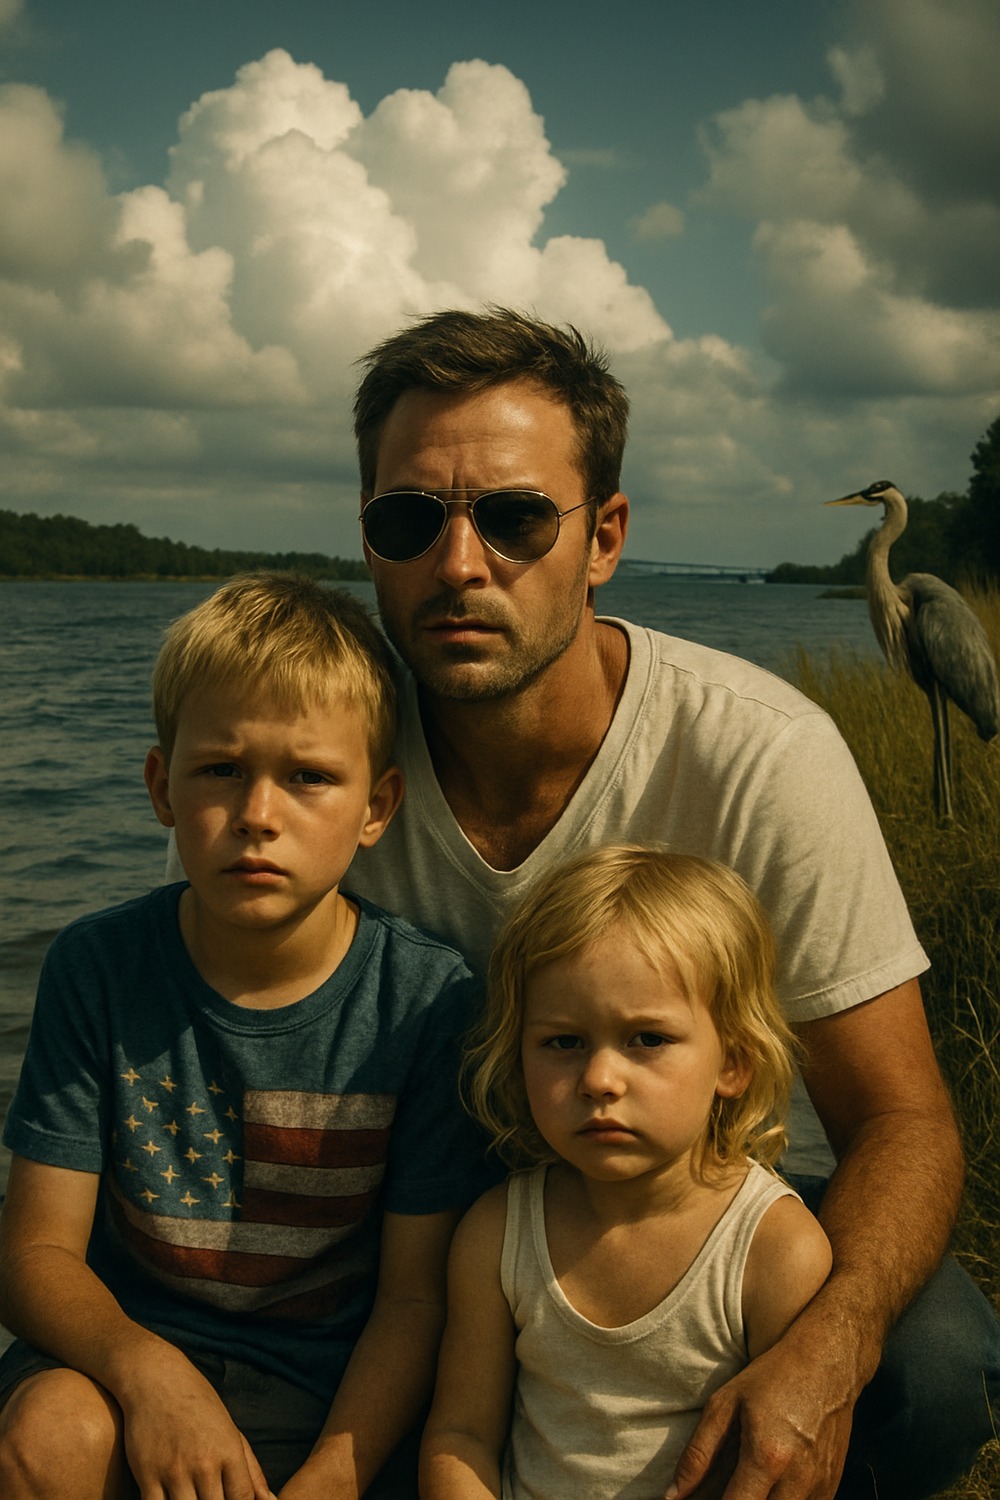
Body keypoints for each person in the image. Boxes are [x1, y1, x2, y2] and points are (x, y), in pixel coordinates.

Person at [338, 307, 999, 1498]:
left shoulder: (762, 754)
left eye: (514, 515)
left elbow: (903, 1120)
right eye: (407, 521)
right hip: (423, 1217)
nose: (458, 563)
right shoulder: (319, 766)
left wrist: (823, 1352)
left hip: (705, 1203)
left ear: (604, 537)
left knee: (934, 1368)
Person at [0, 573, 492, 1500]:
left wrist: (333, 1478)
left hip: (330, 1394)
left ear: (377, 807)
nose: (259, 814)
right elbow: (33, 1258)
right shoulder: (99, 968)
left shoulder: (425, 1000)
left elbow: (417, 1298)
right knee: (47, 1434)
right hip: (126, 1363)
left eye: (309, 777)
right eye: (222, 769)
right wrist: (153, 1378)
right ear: (162, 787)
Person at [420, 844, 834, 1500]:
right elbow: (461, 1436)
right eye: (563, 1042)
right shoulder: (497, 1233)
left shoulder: (774, 1251)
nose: (599, 1079)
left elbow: (788, 1465)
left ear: (734, 1061)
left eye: (647, 1040)